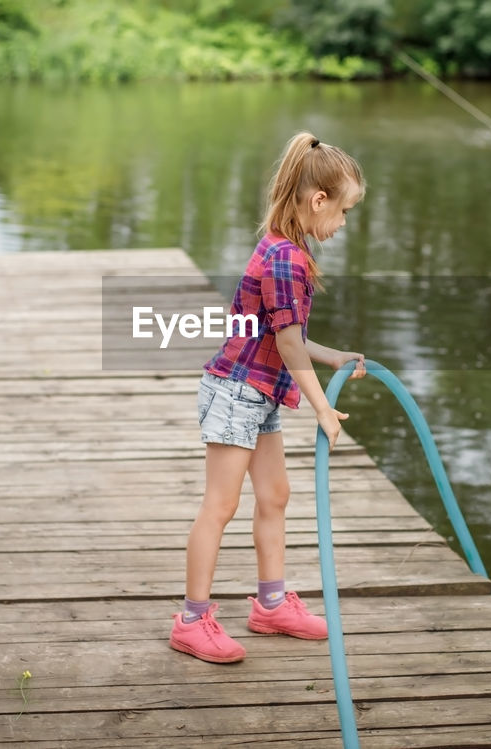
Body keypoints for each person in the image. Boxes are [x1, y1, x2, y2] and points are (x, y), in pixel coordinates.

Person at [169, 131, 368, 664]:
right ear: (317, 200)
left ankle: (271, 605)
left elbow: (289, 336)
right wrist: (323, 409)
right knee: (221, 504)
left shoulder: (288, 250)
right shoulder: (286, 260)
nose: (343, 224)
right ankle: (191, 620)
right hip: (237, 392)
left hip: (258, 394)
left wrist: (332, 358)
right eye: (344, 211)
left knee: (275, 495)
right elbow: (283, 340)